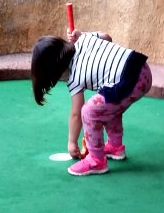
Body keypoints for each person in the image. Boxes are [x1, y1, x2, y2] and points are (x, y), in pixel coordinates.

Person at [31, 28, 152, 177]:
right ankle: (115, 147)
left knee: (89, 111)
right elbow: (107, 37)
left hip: (131, 81)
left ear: (55, 71)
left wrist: (72, 142)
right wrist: (81, 34)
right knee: (107, 104)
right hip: (141, 68)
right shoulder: (83, 40)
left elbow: (76, 114)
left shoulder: (73, 77)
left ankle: (96, 161)